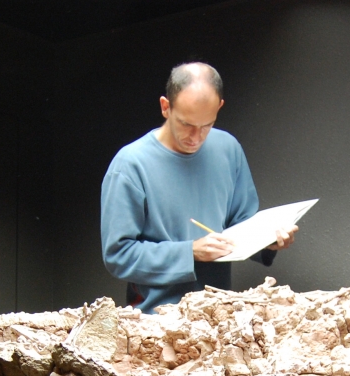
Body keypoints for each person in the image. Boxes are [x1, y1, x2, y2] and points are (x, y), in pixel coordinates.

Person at [100, 62, 296, 312]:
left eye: (207, 125)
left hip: (219, 315)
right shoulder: (130, 165)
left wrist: (267, 240)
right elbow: (119, 255)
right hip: (154, 321)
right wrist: (190, 252)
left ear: (219, 107)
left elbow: (241, 224)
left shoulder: (228, 149)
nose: (196, 137)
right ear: (165, 107)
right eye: (186, 124)